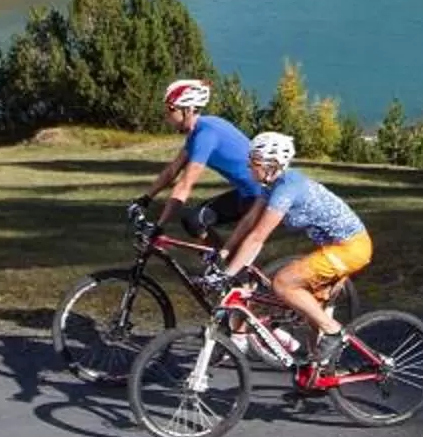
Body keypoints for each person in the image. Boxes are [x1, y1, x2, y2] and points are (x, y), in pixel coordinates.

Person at [214, 129, 368, 363]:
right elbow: (248, 222)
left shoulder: (287, 188)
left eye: (254, 162)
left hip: (350, 248)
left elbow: (257, 237)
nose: (249, 167)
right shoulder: (272, 186)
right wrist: (224, 252)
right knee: (308, 309)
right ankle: (317, 373)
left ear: (271, 165)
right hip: (335, 249)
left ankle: (334, 331)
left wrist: (227, 274)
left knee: (283, 282)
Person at [135, 78, 262, 244]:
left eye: (171, 110)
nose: (167, 117)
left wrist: (160, 225)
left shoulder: (205, 135)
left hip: (260, 195)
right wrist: (145, 198)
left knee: (199, 223)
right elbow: (172, 171)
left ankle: (226, 267)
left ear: (188, 110)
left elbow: (184, 185)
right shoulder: (199, 132)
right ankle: (220, 266)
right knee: (193, 220)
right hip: (248, 191)